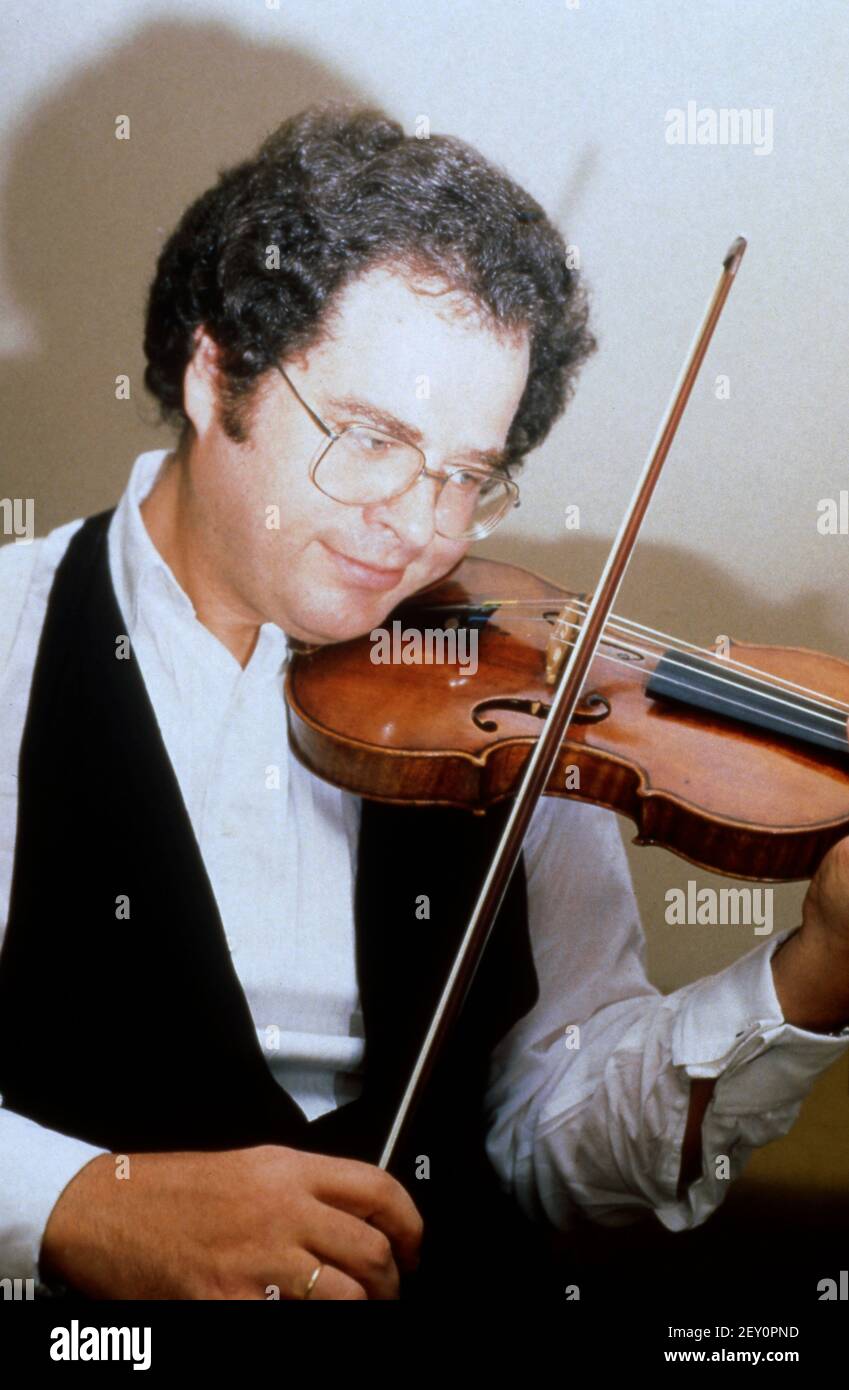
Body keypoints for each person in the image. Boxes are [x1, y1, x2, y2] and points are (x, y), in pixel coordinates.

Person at [1, 103, 849, 1303]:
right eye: (369, 437)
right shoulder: (9, 641)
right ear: (214, 373)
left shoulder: (510, 698)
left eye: (465, 473)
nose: (418, 525)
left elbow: (548, 1127)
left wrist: (817, 969)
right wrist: (75, 1202)